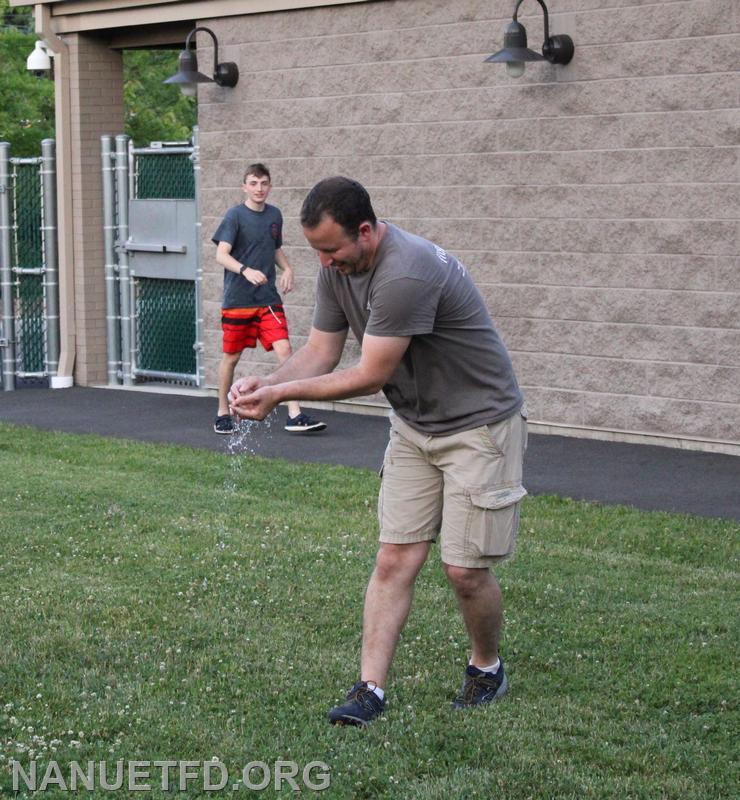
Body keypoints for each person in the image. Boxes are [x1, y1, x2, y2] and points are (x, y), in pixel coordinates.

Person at [229, 177, 527, 725]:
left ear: (365, 232)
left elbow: (370, 375)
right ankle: (370, 690)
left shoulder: (405, 272)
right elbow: (319, 353)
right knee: (395, 557)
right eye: (315, 250)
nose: (324, 262)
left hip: (478, 425)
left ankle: (487, 667)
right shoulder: (336, 269)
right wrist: (265, 382)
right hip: (415, 424)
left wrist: (279, 395)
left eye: (332, 249)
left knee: (464, 570)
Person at [211, 163, 326, 435]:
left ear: (270, 186)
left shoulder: (274, 215)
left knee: (285, 350)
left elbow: (274, 248)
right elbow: (221, 255)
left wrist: (287, 268)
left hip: (267, 300)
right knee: (231, 357)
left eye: (263, 183)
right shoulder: (234, 216)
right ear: (245, 187)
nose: (259, 188)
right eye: (253, 183)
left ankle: (294, 414)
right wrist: (245, 270)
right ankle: (222, 413)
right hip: (238, 301)